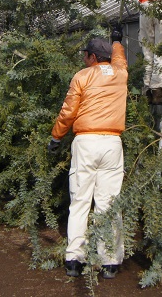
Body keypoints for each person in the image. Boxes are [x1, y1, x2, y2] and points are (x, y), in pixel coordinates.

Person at [48, 30, 127, 279]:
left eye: (85, 55)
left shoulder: (82, 77)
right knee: (108, 203)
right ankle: (110, 262)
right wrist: (117, 41)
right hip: (113, 143)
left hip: (86, 142)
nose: (84, 59)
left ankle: (74, 259)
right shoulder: (120, 73)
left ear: (93, 57)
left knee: (80, 201)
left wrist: (56, 136)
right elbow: (120, 59)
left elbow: (68, 111)